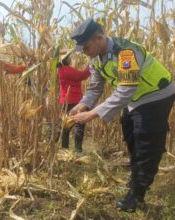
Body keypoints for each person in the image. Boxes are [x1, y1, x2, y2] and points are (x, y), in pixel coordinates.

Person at [69, 18, 175, 212]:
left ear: (99, 38)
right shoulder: (95, 59)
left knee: (145, 142)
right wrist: (81, 106)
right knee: (130, 136)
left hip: (155, 95)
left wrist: (92, 114)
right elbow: (95, 87)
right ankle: (135, 180)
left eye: (85, 47)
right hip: (134, 99)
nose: (83, 52)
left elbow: (125, 90)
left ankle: (137, 195)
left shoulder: (126, 53)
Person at [58, 51, 90, 156]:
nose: (71, 59)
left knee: (65, 126)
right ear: (66, 60)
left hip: (65, 101)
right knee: (79, 125)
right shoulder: (67, 70)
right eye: (69, 57)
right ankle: (78, 151)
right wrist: (91, 64)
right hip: (75, 102)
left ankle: (64, 150)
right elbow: (83, 75)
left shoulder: (60, 70)